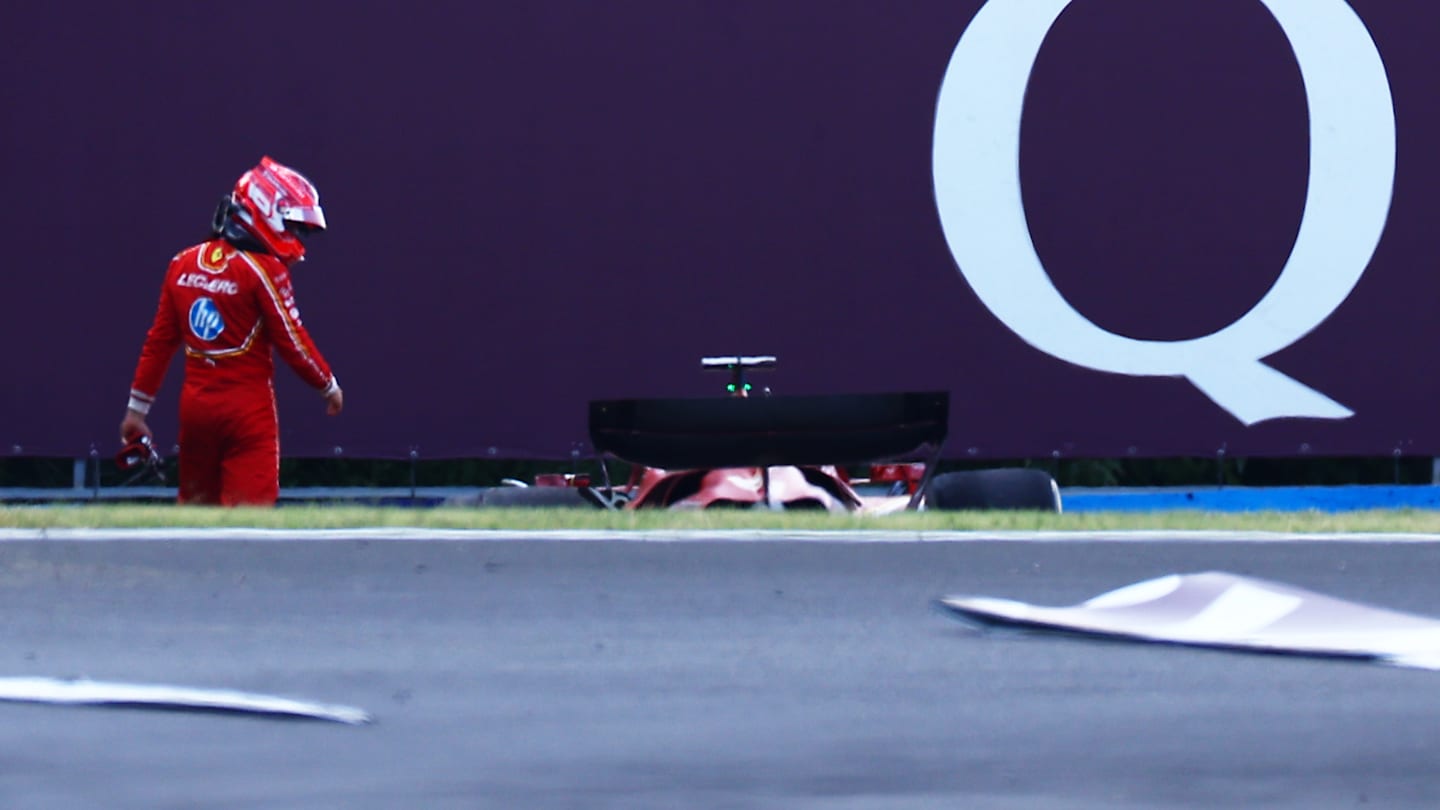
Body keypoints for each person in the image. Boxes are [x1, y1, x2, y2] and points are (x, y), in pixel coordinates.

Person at [119, 156, 344, 506]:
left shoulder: (182, 263)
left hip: (195, 411)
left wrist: (137, 411)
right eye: (293, 225)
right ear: (266, 211)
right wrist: (327, 384)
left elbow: (159, 344)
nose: (297, 237)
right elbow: (292, 339)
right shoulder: (265, 270)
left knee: (195, 515)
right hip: (247, 412)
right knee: (249, 528)